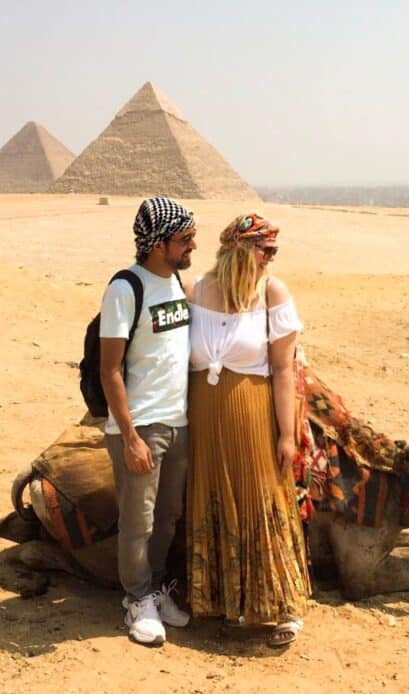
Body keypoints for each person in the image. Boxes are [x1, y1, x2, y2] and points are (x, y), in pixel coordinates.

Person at [185, 213, 311, 647]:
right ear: (240, 249)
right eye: (265, 250)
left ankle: (285, 605)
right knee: (212, 499)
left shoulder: (272, 293)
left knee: (261, 500)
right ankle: (224, 602)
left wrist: (287, 434)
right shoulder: (194, 291)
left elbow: (281, 368)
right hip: (204, 417)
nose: (270, 260)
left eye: (274, 251)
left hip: (252, 415)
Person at [99, 196, 195, 646]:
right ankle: (136, 599)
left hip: (179, 423)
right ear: (159, 244)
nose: (192, 244)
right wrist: (131, 436)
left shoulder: (177, 281)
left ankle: (156, 589)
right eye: (184, 238)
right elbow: (110, 370)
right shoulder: (125, 288)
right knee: (138, 522)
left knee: (170, 517)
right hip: (142, 427)